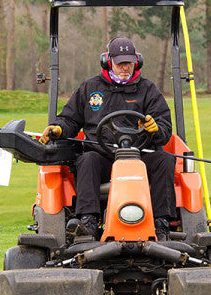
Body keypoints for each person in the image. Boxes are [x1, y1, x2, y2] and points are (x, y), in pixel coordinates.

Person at [39, 37, 176, 241]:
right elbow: (69, 119)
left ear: (137, 61)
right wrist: (58, 128)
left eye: (128, 62)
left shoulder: (148, 90)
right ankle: (88, 222)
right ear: (107, 61)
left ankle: (161, 224)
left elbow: (164, 127)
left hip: (140, 157)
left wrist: (155, 129)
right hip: (102, 157)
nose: (124, 67)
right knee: (87, 160)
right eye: (120, 62)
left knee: (165, 160)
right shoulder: (90, 88)